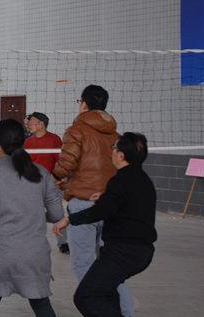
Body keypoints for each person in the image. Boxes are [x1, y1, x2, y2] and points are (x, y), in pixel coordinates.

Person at [52, 85, 136, 316]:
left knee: (83, 265)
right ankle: (126, 313)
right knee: (112, 269)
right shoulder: (116, 135)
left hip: (83, 206)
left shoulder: (76, 130)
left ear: (84, 104)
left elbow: (67, 163)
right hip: (111, 206)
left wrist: (53, 178)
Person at [0, 119, 65, 317]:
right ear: (24, 142)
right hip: (35, 256)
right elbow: (57, 214)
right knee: (42, 307)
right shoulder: (41, 173)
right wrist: (35, 215)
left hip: (1, 255)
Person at [56, 133, 157, 316]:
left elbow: (100, 212)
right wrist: (105, 198)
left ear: (121, 155)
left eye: (114, 148)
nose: (112, 152)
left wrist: (70, 219)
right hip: (141, 251)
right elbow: (126, 203)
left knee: (86, 297)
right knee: (107, 294)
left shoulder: (120, 181)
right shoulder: (143, 180)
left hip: (123, 253)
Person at [25, 112, 68, 254]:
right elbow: (25, 164)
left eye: (32, 122)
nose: (29, 124)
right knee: (33, 214)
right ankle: (32, 241)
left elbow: (60, 162)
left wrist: (59, 179)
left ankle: (63, 242)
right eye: (29, 122)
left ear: (41, 124)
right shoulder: (28, 142)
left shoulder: (54, 139)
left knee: (57, 214)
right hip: (33, 184)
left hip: (52, 183)